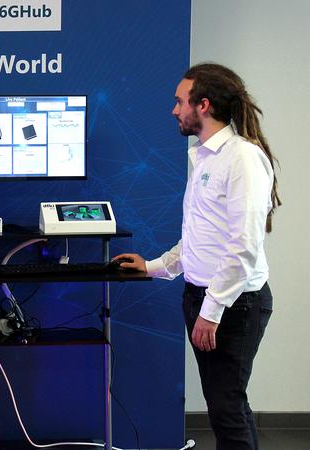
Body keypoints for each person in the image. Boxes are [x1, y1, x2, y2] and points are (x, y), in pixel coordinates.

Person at [114, 63, 281, 450]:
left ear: (202, 105)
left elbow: (243, 245)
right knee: (226, 405)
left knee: (226, 407)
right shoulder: (204, 157)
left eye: (180, 101)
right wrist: (155, 266)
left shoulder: (242, 159)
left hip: (235, 304)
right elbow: (201, 237)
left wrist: (212, 310)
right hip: (204, 297)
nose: (175, 109)